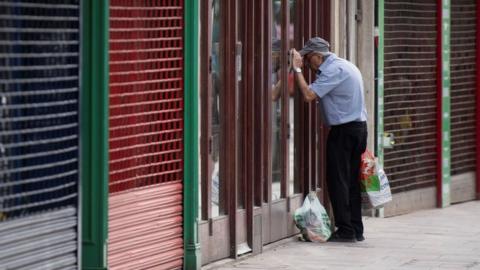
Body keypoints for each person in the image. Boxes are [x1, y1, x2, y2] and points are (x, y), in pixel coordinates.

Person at [290, 37, 368, 242]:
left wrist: (297, 71)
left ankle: (345, 230)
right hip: (357, 129)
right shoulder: (344, 65)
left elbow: (308, 95)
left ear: (318, 56)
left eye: (308, 60)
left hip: (344, 131)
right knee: (350, 181)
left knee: (338, 181)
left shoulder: (334, 71)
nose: (307, 64)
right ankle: (355, 229)